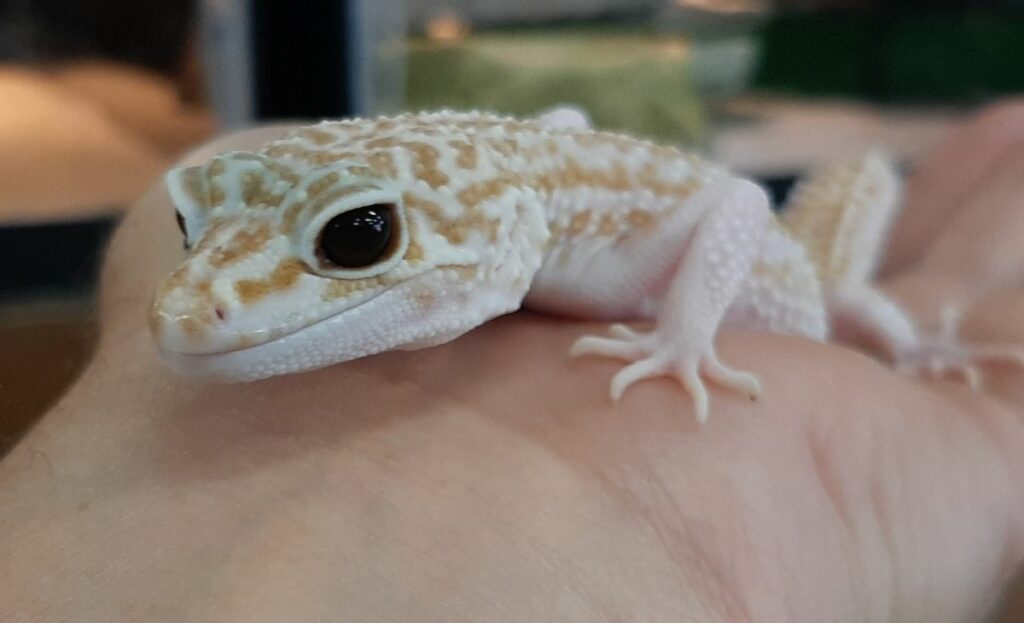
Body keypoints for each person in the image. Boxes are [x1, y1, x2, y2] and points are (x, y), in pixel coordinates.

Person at [2, 104, 1023, 622]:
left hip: (798, 296)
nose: (197, 302)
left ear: (500, 226)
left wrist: (683, 334)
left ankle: (912, 335)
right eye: (196, 221)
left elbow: (741, 204)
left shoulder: (568, 232)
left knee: (868, 308)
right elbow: (562, 138)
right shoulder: (522, 212)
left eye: (357, 237)